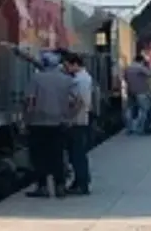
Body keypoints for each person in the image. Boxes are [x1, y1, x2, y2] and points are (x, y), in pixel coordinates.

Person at [23, 51, 76, 198]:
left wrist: (26, 119)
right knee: (57, 155)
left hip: (38, 123)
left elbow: (30, 101)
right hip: (59, 123)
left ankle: (43, 186)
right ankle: (60, 185)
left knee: (39, 156)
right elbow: (75, 101)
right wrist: (69, 116)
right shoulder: (66, 80)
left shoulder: (36, 78)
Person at [62, 52, 92, 196]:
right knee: (76, 154)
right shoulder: (81, 78)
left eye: (67, 65)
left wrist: (69, 118)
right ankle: (80, 181)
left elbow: (79, 101)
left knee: (77, 154)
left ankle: (82, 183)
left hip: (77, 121)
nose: (65, 68)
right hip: (79, 120)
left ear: (75, 64)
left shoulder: (81, 80)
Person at [123, 55, 151, 135]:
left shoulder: (128, 68)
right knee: (144, 109)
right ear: (142, 61)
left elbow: (125, 78)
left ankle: (129, 129)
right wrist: (149, 64)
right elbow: (150, 74)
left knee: (130, 110)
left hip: (130, 91)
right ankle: (140, 129)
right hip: (141, 91)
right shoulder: (140, 68)